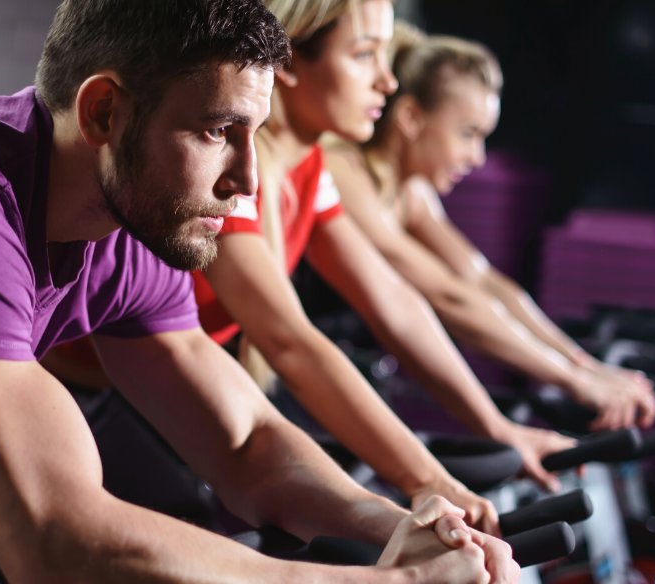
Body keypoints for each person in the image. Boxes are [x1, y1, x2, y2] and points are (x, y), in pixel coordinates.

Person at [0, 1, 519, 582]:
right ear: (106, 111)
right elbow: (56, 544)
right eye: (220, 131)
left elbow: (245, 443)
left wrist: (403, 523)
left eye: (255, 134)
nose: (248, 180)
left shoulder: (131, 226)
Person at [47, 0, 573, 522]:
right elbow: (289, 342)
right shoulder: (228, 171)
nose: (388, 83)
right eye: (366, 55)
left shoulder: (310, 166)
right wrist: (428, 479)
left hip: (159, 388)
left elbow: (394, 303)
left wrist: (496, 429)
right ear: (290, 62)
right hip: (85, 396)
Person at [325, 24, 655, 431]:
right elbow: (448, 297)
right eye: (468, 134)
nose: (478, 157)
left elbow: (482, 281)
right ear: (411, 118)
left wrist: (586, 367)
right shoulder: (342, 171)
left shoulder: (410, 192)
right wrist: (573, 381)